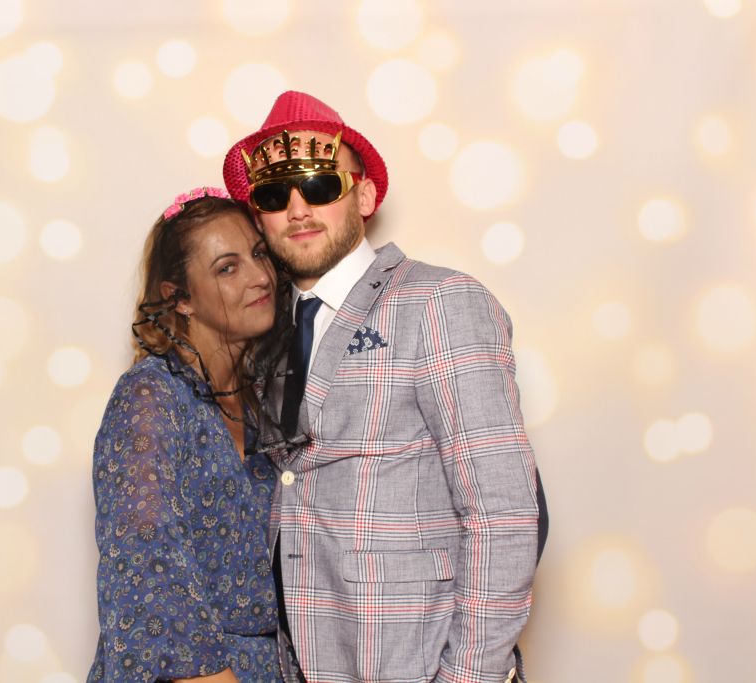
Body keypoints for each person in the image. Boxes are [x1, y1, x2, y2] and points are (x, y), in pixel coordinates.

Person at [222, 92, 547, 683]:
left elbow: (503, 513)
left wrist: (467, 677)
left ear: (366, 196)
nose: (297, 209)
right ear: (258, 218)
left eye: (320, 185)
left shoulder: (438, 302)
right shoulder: (267, 334)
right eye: (274, 195)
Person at [87, 188, 286, 683]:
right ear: (181, 299)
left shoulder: (263, 402)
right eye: (227, 268)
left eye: (259, 254)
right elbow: (144, 561)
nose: (261, 276)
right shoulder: (150, 397)